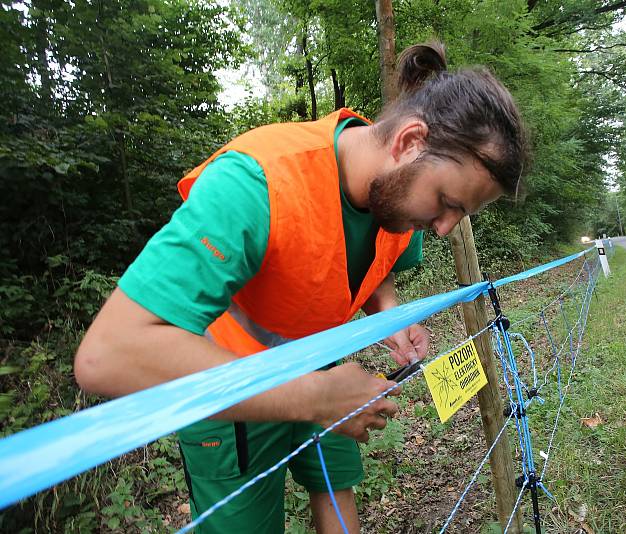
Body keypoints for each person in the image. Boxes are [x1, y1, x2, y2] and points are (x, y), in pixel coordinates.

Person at [74, 41, 526, 533]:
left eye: (461, 214)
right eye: (446, 202)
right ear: (409, 142)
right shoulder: (257, 181)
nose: (443, 228)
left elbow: (376, 266)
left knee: (336, 493)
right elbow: (107, 355)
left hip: (323, 366)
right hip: (226, 388)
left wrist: (392, 317)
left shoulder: (399, 201)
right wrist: (313, 396)